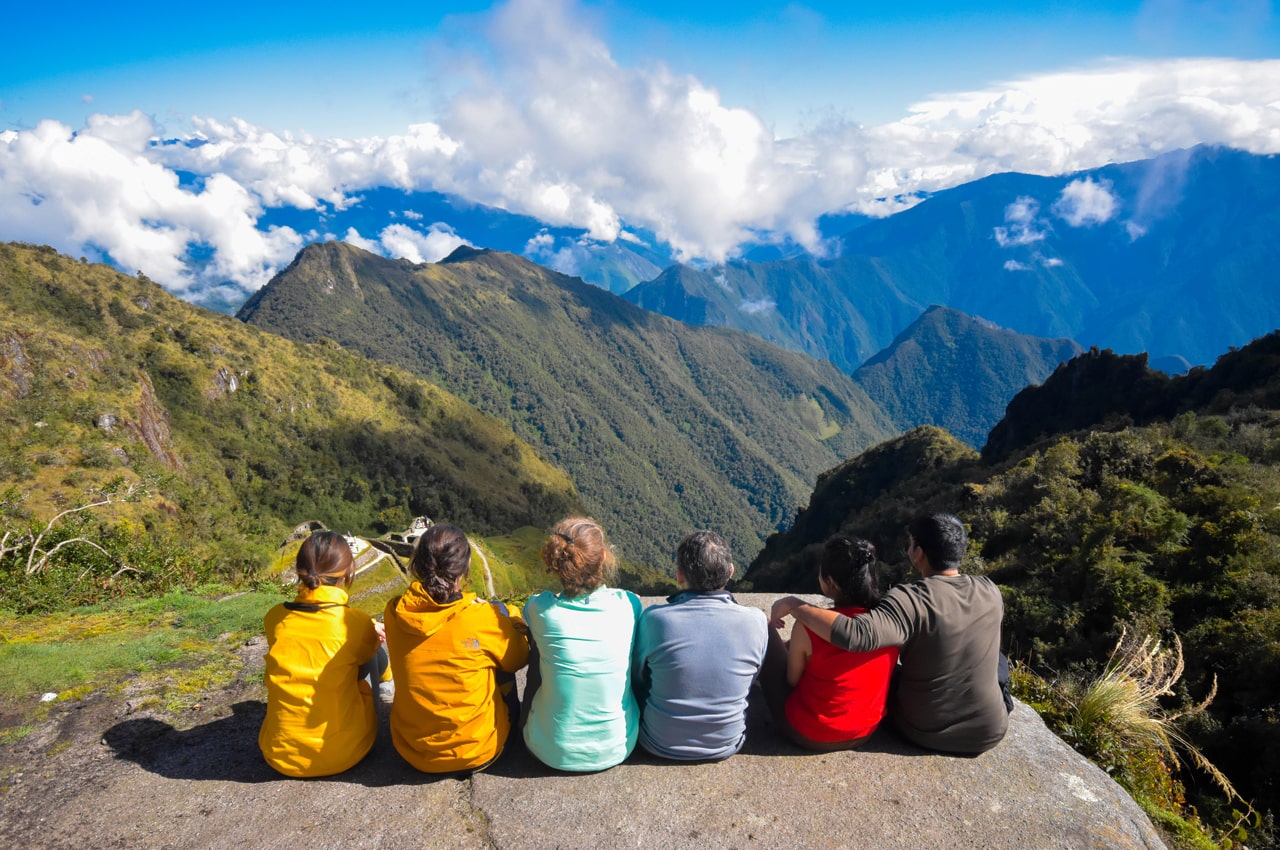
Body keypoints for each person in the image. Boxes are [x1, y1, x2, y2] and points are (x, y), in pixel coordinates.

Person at [770, 513, 1009, 755]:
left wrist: (796, 606)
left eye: (911, 543)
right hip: (990, 731)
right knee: (997, 658)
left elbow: (856, 634)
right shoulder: (990, 590)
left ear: (918, 553)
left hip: (927, 731)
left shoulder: (911, 600)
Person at [384, 523, 529, 774]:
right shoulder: (482, 617)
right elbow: (519, 658)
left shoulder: (395, 612)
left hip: (413, 752)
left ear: (417, 564)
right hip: (480, 752)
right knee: (497, 661)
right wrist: (508, 616)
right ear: (464, 569)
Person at [632, 530, 768, 761]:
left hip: (657, 743)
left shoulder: (655, 619)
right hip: (726, 744)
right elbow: (752, 678)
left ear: (679, 575)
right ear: (731, 572)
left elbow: (638, 677)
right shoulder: (755, 621)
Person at [259, 531, 385, 777]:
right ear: (348, 572)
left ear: (299, 570)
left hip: (280, 756)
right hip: (344, 754)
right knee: (373, 655)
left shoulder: (275, 618)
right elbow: (368, 651)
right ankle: (380, 716)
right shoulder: (354, 623)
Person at [522, 517, 642, 772]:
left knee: (541, 650)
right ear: (604, 558)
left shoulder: (539, 609)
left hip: (551, 749)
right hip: (617, 746)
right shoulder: (629, 605)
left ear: (556, 563)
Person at [760, 536, 899, 751]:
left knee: (764, 629)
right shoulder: (888, 623)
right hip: (864, 732)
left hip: (812, 733)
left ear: (831, 583)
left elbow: (792, 681)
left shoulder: (806, 627)